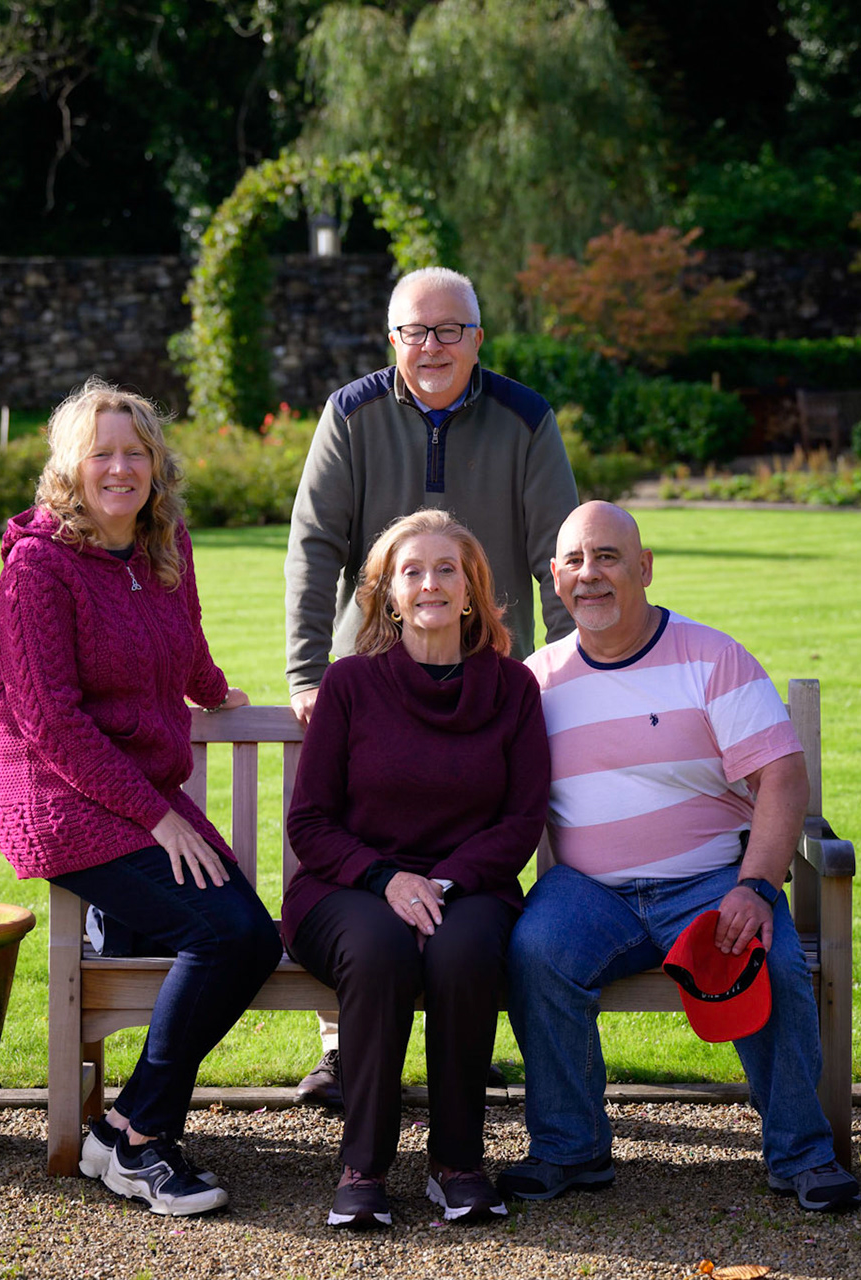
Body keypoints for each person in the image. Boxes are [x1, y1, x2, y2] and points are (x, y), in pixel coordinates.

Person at [501, 501, 861, 1214]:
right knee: (534, 951)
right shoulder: (535, 681)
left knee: (775, 961)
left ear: (644, 567)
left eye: (607, 557)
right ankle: (572, 1150)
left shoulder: (710, 657)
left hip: (708, 882)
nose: (590, 575)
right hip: (589, 892)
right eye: (574, 561)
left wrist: (756, 887)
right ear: (554, 578)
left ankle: (802, 1154)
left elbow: (782, 778)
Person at [0, 379, 283, 1217]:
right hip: (57, 798)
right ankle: (139, 1138)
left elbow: (183, 649)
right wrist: (156, 816)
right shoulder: (36, 573)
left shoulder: (164, 544)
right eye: (101, 453)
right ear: (70, 469)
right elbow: (54, 726)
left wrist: (223, 693)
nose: (120, 468)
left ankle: (126, 1128)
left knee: (245, 935)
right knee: (229, 934)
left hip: (137, 793)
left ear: (157, 464)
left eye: (135, 452)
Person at [284, 265, 579, 1106]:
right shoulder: (351, 412)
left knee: (470, 837)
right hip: (367, 669)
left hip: (483, 671)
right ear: (393, 340)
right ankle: (345, 1047)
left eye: (451, 330)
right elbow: (313, 546)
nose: (433, 346)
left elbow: (556, 555)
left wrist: (570, 669)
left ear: (478, 338)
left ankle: (464, 1026)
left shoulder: (524, 418)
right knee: (358, 835)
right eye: (416, 331)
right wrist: (309, 671)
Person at [284, 509, 551, 1229]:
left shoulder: (512, 689)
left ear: (470, 591)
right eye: (411, 571)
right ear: (388, 594)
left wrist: (444, 882)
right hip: (348, 885)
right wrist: (388, 880)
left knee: (463, 952)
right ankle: (363, 1166)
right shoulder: (349, 686)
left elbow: (522, 821)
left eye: (445, 570)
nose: (429, 583)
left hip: (469, 886)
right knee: (379, 949)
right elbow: (309, 823)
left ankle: (456, 1161)